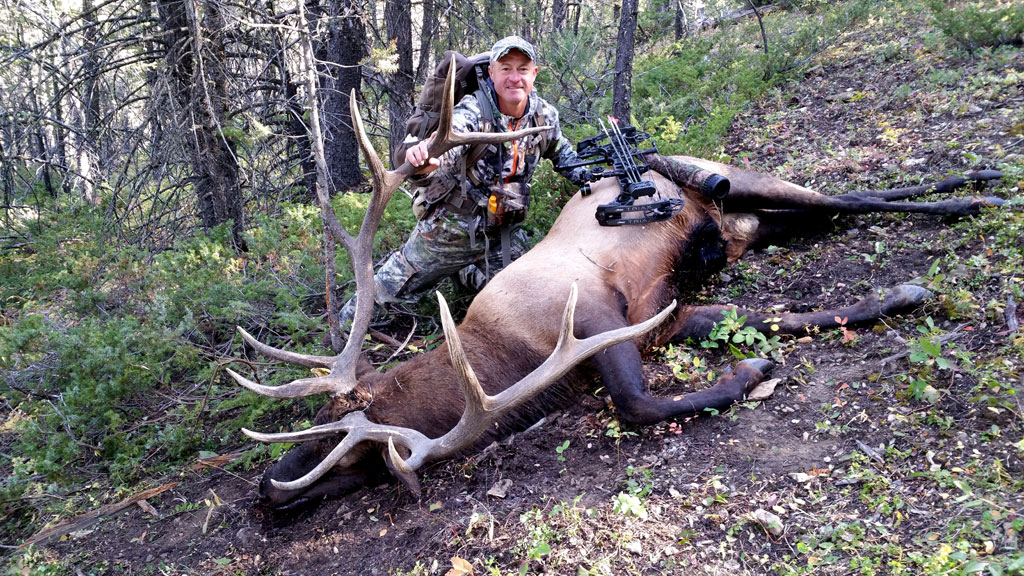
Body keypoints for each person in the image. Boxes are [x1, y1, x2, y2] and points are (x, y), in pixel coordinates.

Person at [340, 35, 590, 328]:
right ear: (492, 72)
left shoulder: (544, 116)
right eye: (505, 68)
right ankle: (337, 337)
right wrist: (426, 161)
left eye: (522, 69)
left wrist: (598, 177)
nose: (514, 78)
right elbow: (442, 151)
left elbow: (566, 158)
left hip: (503, 235)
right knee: (385, 292)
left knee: (531, 304)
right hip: (450, 231)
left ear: (534, 73)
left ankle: (466, 274)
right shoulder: (472, 111)